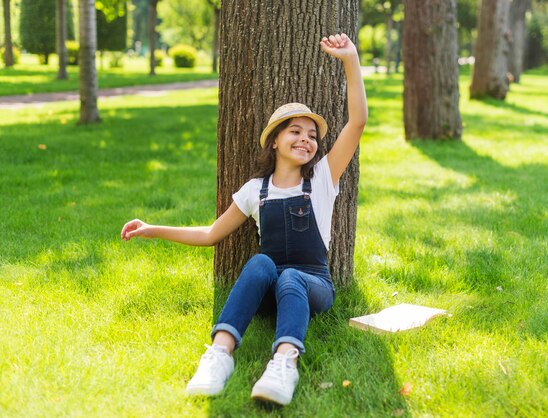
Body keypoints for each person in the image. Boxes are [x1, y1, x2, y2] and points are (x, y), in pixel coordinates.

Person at [120, 33, 367, 406]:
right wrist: (151, 229)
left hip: (312, 285)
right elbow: (209, 234)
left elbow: (358, 122)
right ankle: (219, 356)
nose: (307, 140)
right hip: (271, 291)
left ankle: (284, 363)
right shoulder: (255, 190)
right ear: (274, 141)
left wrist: (351, 59)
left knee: (293, 277)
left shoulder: (322, 179)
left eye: (312, 135)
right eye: (295, 131)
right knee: (260, 262)